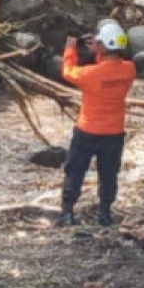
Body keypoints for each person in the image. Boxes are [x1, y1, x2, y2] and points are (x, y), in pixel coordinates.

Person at [57, 21, 137, 227]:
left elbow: (67, 71)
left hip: (87, 131)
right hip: (114, 133)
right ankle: (104, 213)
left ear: (102, 46)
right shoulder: (129, 70)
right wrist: (99, 52)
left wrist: (70, 47)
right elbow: (111, 66)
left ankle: (67, 212)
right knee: (109, 174)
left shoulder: (90, 74)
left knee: (75, 171)